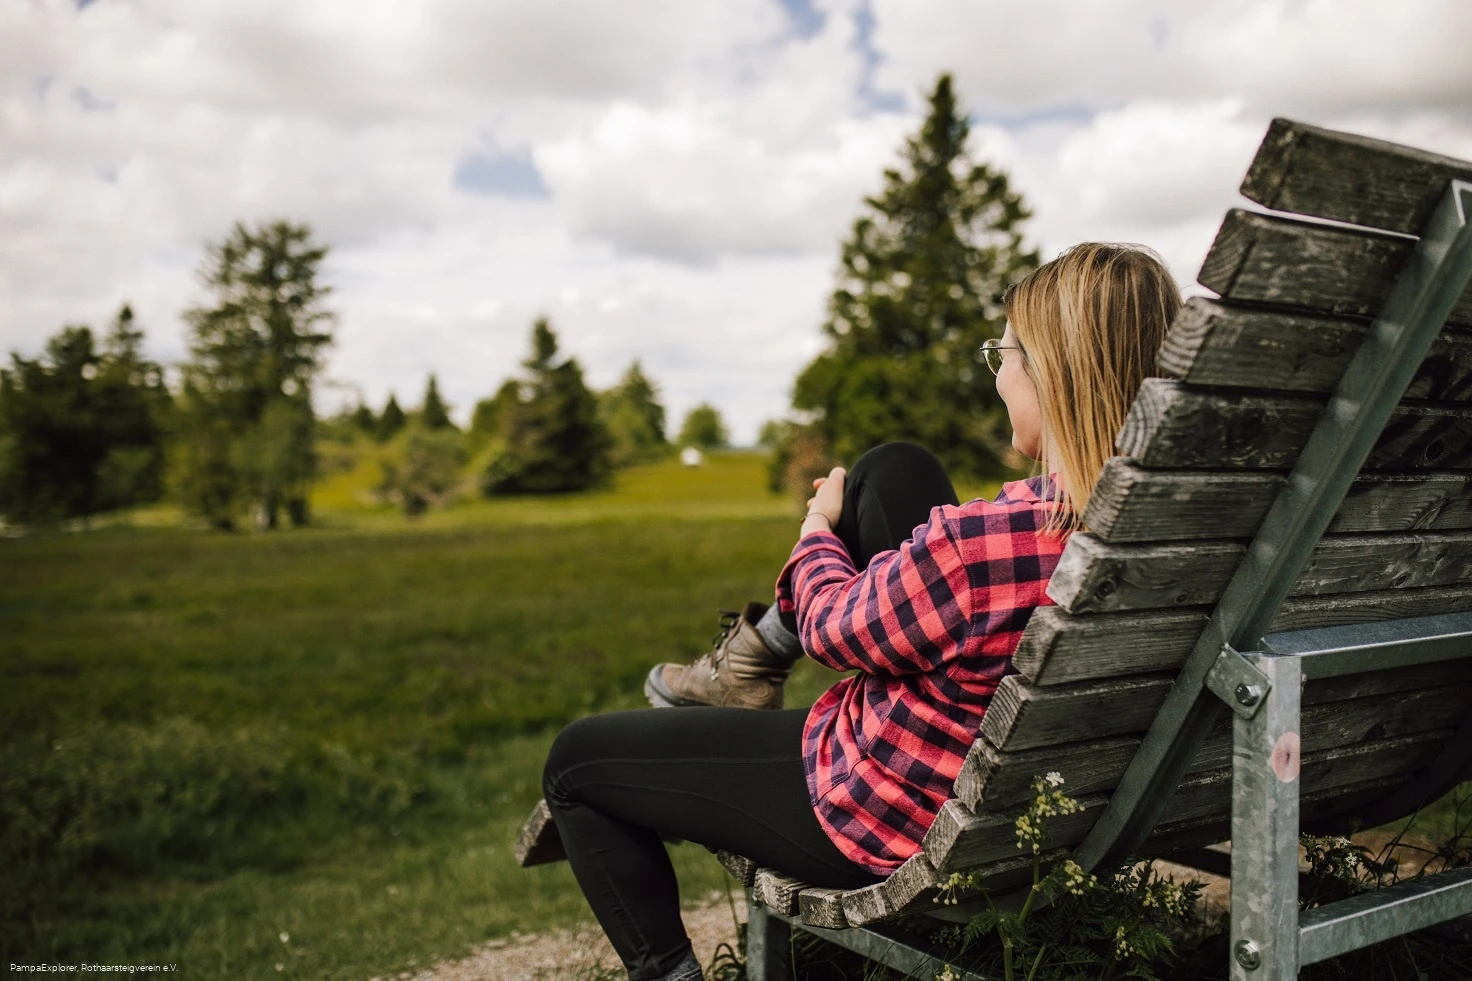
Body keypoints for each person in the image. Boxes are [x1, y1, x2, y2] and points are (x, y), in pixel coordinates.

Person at [541, 243, 1181, 981]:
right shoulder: (1180, 529)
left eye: (1002, 354)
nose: (999, 376)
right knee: (897, 468)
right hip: (1045, 796)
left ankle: (749, 663)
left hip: (884, 811)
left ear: (1051, 372)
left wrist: (816, 530)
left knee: (574, 762)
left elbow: (832, 625)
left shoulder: (983, 545)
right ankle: (751, 662)